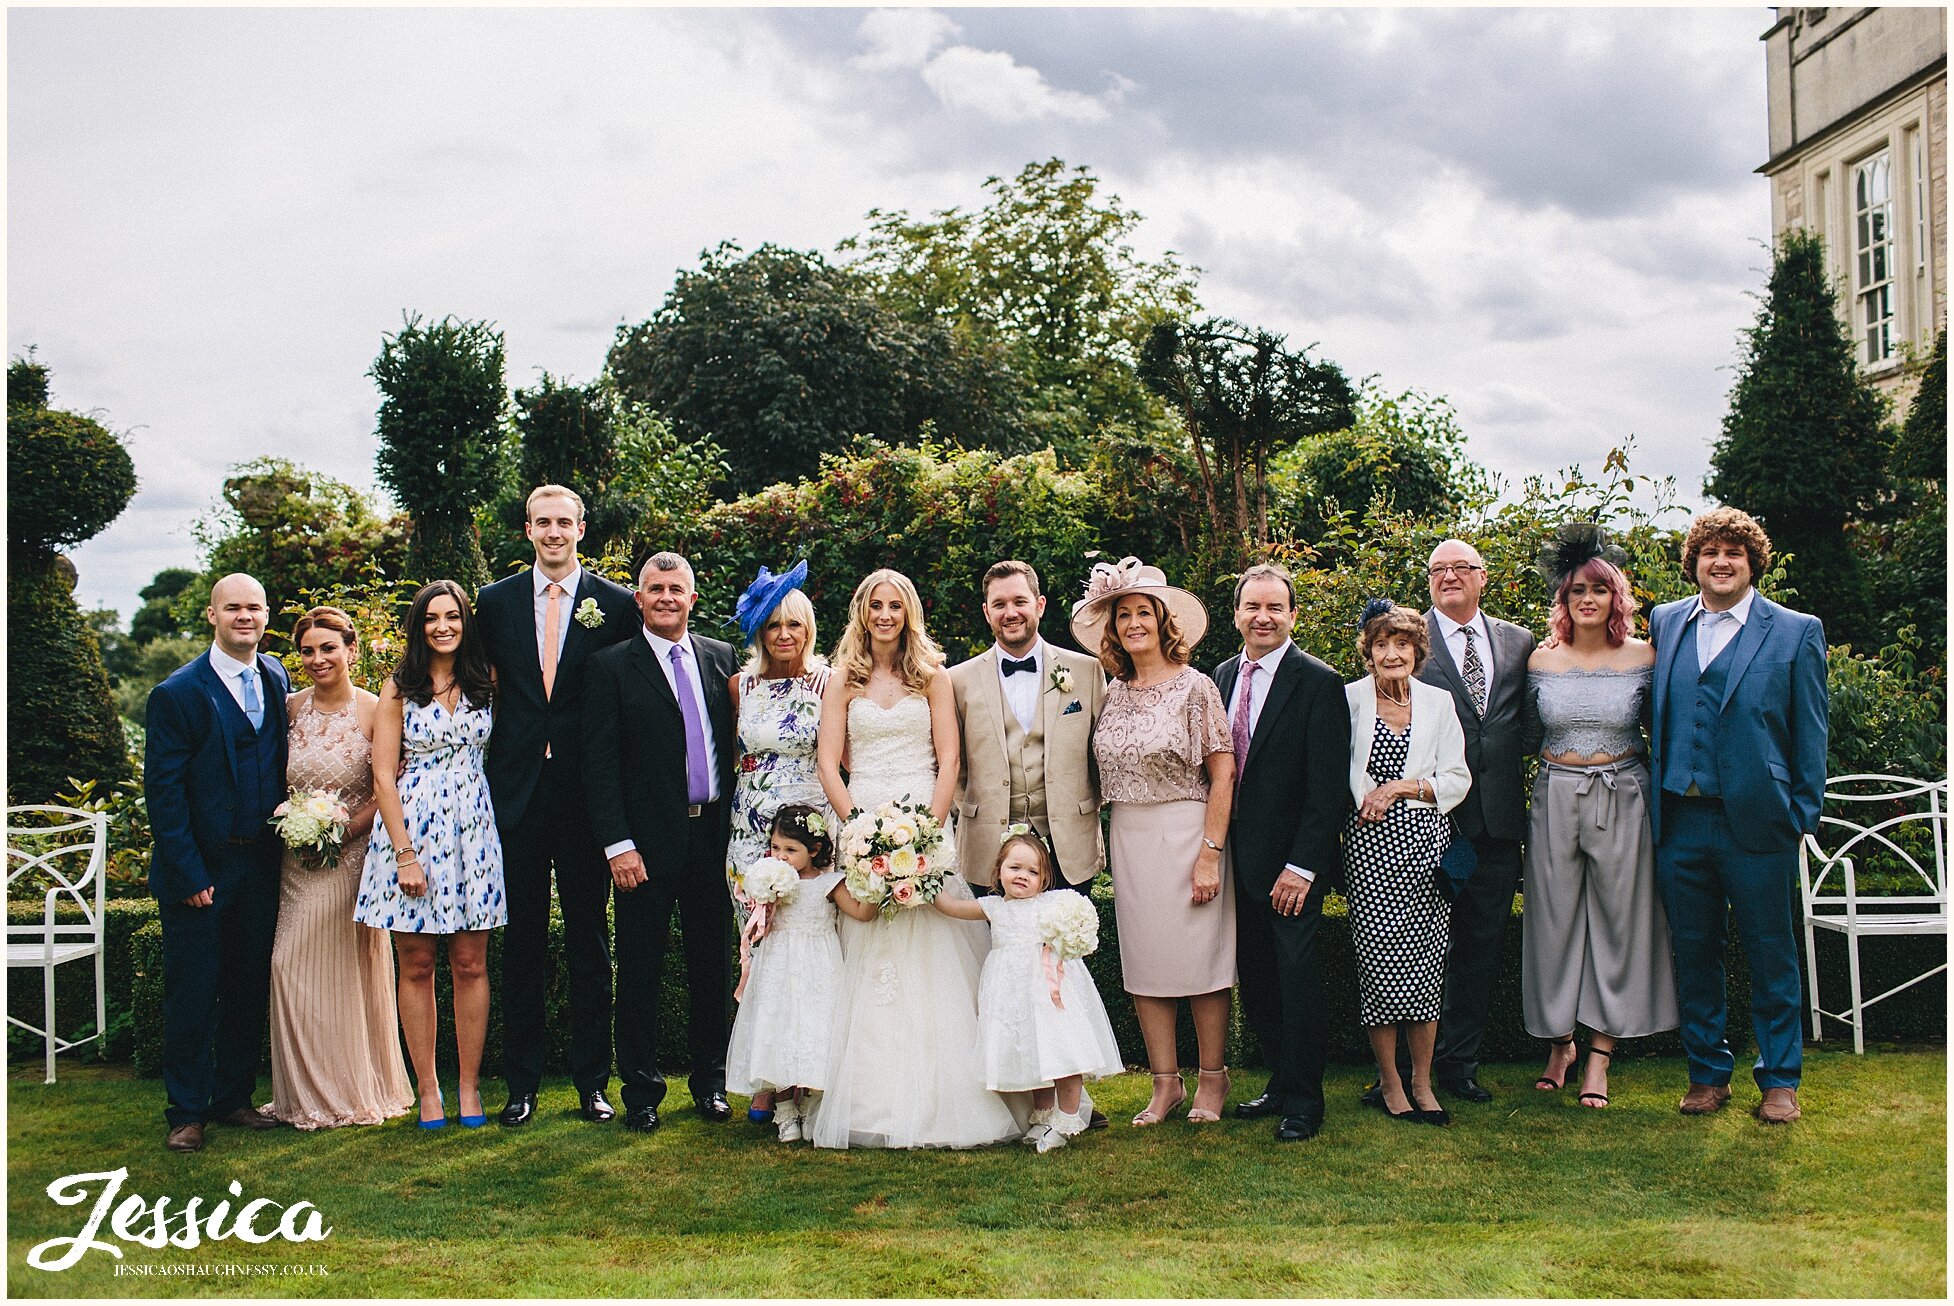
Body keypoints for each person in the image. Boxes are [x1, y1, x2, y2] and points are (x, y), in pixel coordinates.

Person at [807, 568, 1023, 1150]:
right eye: (875, 605)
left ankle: (946, 1099)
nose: (884, 615)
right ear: (861, 611)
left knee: (933, 952)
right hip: (863, 818)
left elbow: (949, 761)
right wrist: (858, 831)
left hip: (923, 819)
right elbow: (829, 763)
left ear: (909, 614)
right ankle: (866, 1099)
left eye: (894, 606)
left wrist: (924, 832)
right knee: (866, 947)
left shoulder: (933, 676)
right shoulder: (841, 680)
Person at [1648, 508, 1827, 1124]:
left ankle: (1779, 1080)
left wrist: (1800, 814)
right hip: (1680, 819)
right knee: (1694, 953)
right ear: (1694, 562)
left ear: (1753, 564)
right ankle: (1707, 1074)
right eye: (1709, 552)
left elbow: (1810, 728)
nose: (1720, 562)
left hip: (1758, 823)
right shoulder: (1668, 621)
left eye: (1734, 553)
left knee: (1770, 952)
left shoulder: (1795, 630)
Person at [475, 484, 639, 1127]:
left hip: (584, 794)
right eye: (542, 523)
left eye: (563, 522)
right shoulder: (494, 603)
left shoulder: (616, 605)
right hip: (515, 792)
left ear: (581, 528)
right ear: (527, 530)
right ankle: (521, 1086)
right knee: (521, 946)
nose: (553, 532)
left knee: (590, 943)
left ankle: (592, 1083)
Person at [1075, 557, 1236, 1127]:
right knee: (1146, 964)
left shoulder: (1197, 687)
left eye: (1145, 612)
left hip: (1189, 830)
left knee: (1202, 961)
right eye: (1124, 615)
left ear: (1164, 622)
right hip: (1131, 835)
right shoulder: (1112, 692)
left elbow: (1223, 773)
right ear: (1113, 628)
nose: (1134, 622)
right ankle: (1164, 1085)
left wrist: (1210, 854)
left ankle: (1212, 1080)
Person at [1521, 526, 1678, 1108]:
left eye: (1599, 590)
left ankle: (1600, 1057)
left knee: (1620, 920)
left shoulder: (1645, 657)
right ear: (1561, 601)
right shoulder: (1540, 659)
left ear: (1617, 599)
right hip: (1556, 793)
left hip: (1623, 793)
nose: (1587, 599)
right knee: (1553, 918)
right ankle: (1558, 1042)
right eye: (1575, 591)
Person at [583, 551, 740, 1133]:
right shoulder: (610, 667)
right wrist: (617, 845)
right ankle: (642, 1091)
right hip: (643, 847)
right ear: (639, 598)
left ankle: (711, 1084)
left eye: (677, 589)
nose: (667, 597)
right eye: (656, 589)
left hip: (713, 838)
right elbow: (597, 765)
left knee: (711, 967)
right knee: (641, 968)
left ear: (692, 598)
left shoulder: (720, 659)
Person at [145, 573, 291, 1153]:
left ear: (265, 614)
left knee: (247, 983)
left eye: (254, 608)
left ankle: (233, 1097)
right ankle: (186, 1111)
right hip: (201, 872)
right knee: (194, 991)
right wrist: (187, 873)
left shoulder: (276, 673)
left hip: (260, 865)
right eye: (233, 609)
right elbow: (165, 793)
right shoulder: (177, 693)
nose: (245, 618)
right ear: (213, 616)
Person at [355, 580, 508, 1130]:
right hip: (411, 829)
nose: (442, 626)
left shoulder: (487, 680)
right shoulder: (399, 688)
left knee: (471, 963)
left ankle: (469, 1086)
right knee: (416, 964)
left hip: (474, 831)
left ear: (466, 622)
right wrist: (404, 854)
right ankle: (428, 1090)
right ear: (418, 627)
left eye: (452, 617)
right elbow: (382, 774)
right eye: (430, 618)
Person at [1211, 563, 1351, 1143]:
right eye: (1253, 607)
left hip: (1292, 863)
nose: (1263, 618)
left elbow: (1328, 789)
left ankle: (1305, 1102)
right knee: (1259, 977)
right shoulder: (1219, 676)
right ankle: (1278, 1080)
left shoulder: (1317, 681)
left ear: (1293, 615)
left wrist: (1303, 866)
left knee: (1296, 977)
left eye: (1275, 608)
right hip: (1236, 856)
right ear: (1237, 614)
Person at [265, 606, 413, 1129]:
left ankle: (349, 1091)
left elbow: (392, 781)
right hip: (296, 863)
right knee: (289, 969)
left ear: (351, 650)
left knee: (344, 975)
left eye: (328, 648)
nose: (317, 659)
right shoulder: (288, 709)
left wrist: (347, 827)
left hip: (352, 858)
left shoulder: (374, 710)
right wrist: (298, 824)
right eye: (307, 650)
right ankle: (302, 1095)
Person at [1406, 538, 1537, 1105]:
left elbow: (1528, 725)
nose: (1449, 576)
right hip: (1428, 819)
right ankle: (1405, 1068)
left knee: (1481, 949)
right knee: (1412, 950)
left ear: (1483, 578)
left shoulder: (1519, 641)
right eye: (1439, 569)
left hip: (1500, 821)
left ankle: (1460, 1065)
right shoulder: (1409, 639)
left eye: (1461, 567)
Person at [1343, 600, 1472, 1126]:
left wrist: (1403, 787)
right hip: (1368, 848)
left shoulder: (1438, 703)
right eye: (1380, 645)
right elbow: (1336, 770)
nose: (1391, 654)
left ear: (1417, 652)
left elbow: (1457, 779)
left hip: (1426, 848)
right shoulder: (1348, 699)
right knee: (1379, 969)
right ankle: (1390, 1082)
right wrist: (1369, 800)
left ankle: (1423, 1079)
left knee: (1424, 970)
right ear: (1367, 652)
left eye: (1401, 644)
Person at [931, 829, 1123, 1152]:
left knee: (1062, 1051)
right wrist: (921, 879)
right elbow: (950, 907)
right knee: (1031, 1055)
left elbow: (1078, 927)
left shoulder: (1052, 904)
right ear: (999, 870)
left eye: (1033, 871)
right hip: (1011, 995)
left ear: (1045, 879)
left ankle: (1067, 1119)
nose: (1022, 876)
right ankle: (1044, 1115)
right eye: (1015, 867)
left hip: (1048, 994)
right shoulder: (993, 907)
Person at [948, 560, 1108, 893]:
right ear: (986, 612)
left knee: (1065, 943)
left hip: (1069, 847)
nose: (1011, 612)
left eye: (1020, 601)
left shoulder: (1086, 671)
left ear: (1040, 605)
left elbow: (1100, 755)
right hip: (987, 848)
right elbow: (953, 763)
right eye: (999, 604)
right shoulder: (957, 681)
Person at [724, 804, 868, 1143]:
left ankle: (814, 1106)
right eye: (776, 847)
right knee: (781, 1031)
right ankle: (785, 1111)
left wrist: (878, 883)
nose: (781, 856)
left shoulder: (830, 884)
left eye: (791, 849)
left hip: (819, 968)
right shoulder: (773, 882)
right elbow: (759, 924)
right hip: (780, 967)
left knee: (817, 1032)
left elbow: (861, 914)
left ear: (815, 850)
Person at [725, 561, 831, 924]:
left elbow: (844, 760)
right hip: (749, 823)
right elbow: (730, 756)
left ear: (808, 630)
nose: (783, 634)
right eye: (773, 625)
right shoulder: (740, 685)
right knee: (753, 929)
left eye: (793, 624)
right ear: (761, 632)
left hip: (807, 825)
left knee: (806, 929)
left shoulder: (828, 684)